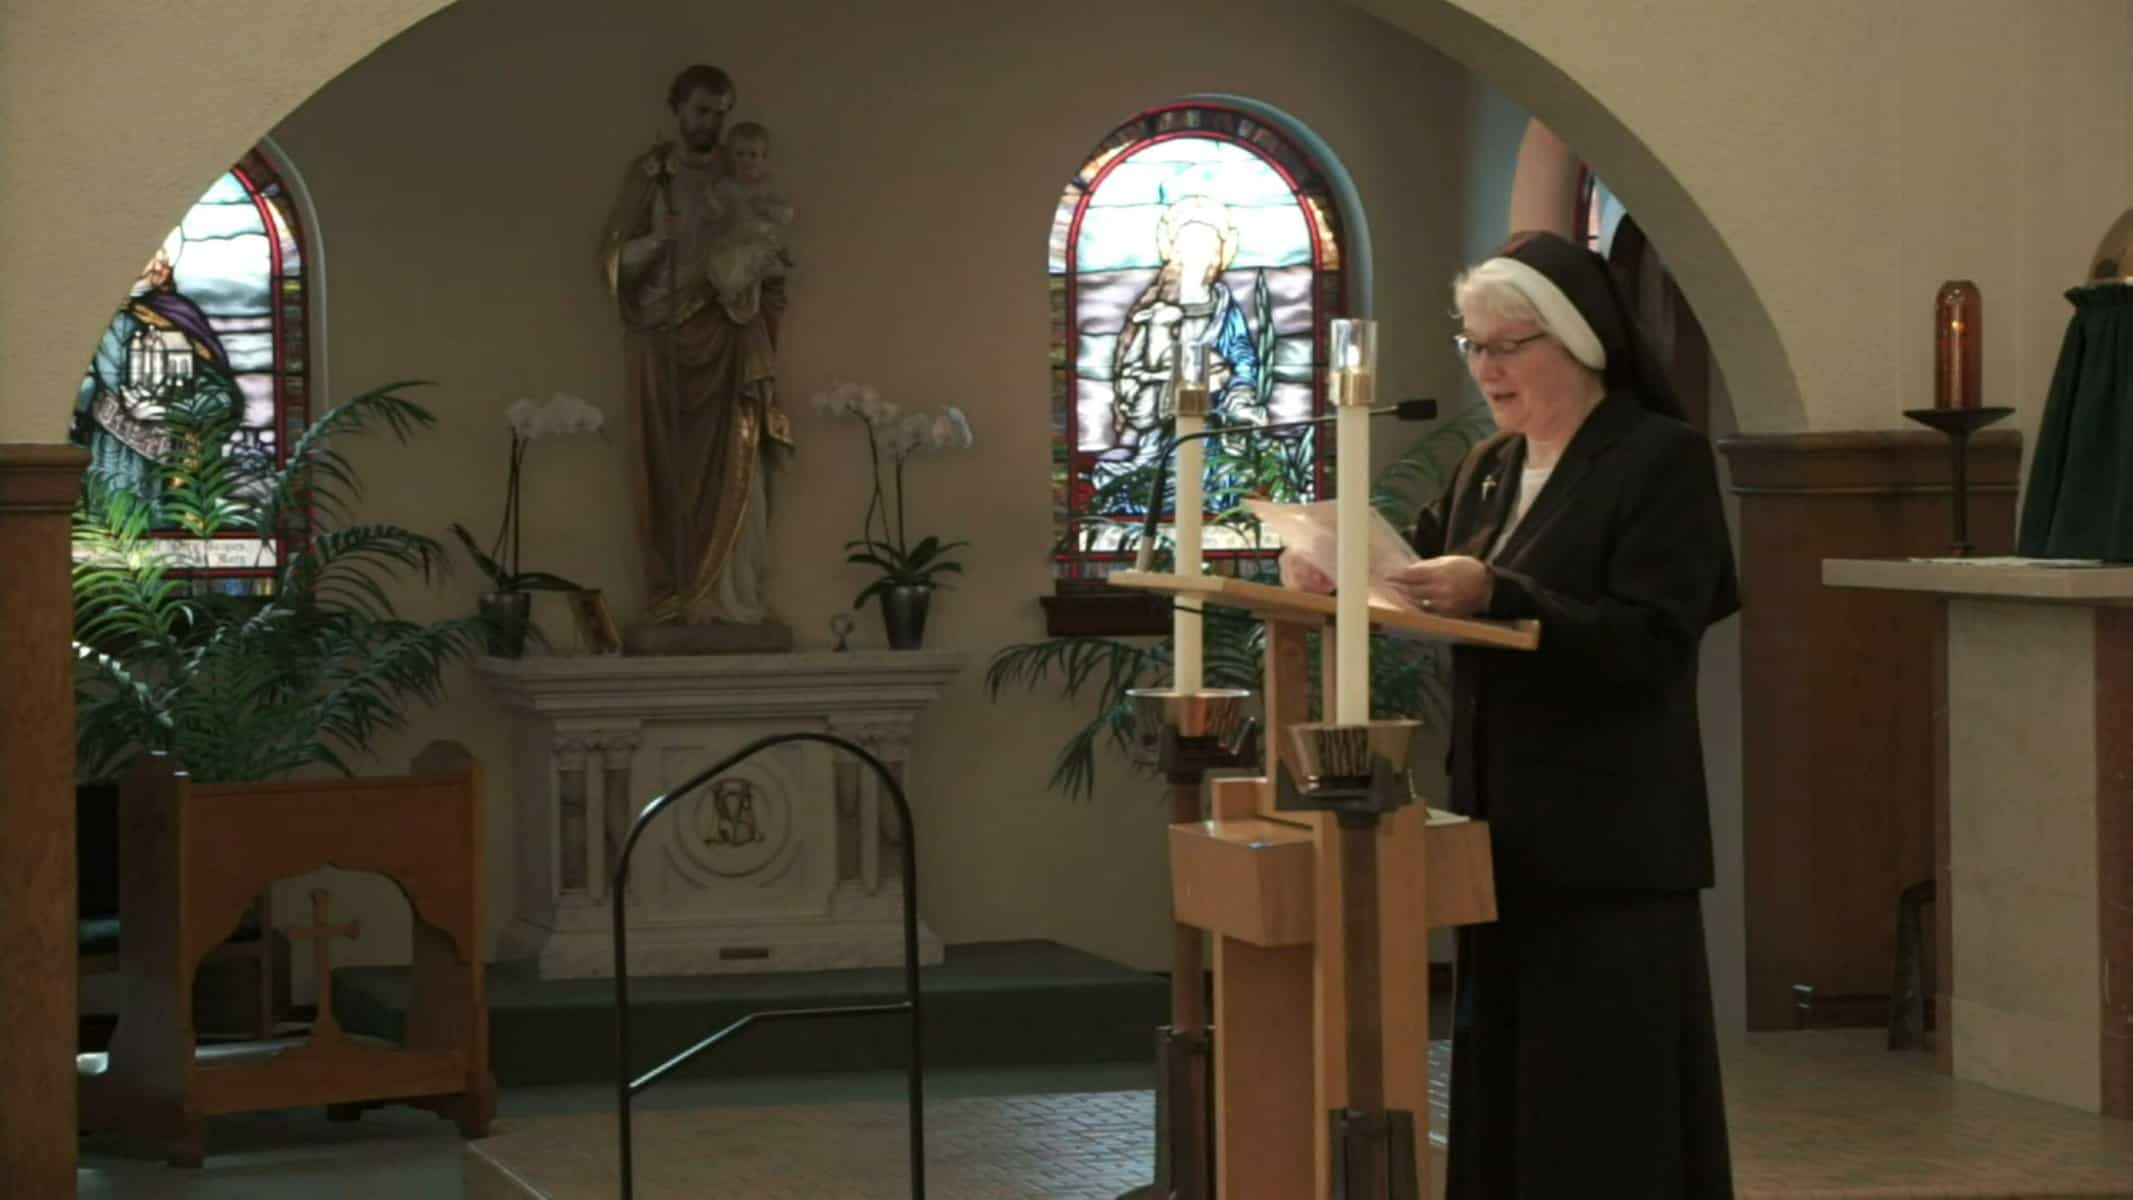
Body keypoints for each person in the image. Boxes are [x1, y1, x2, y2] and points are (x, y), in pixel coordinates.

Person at [1284, 229, 1739, 1197]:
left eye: (1506, 345)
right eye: (1472, 346)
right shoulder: (1492, 466)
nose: (1485, 368)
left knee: (1603, 1108)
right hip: (1500, 826)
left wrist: (1503, 593)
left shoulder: (1659, 459)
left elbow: (1654, 640)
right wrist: (1334, 571)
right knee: (1510, 1090)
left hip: (1613, 839)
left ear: (1576, 342)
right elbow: (1420, 581)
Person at [597, 63, 793, 628]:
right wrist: (661, 240)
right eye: (702, 110)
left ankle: (733, 596)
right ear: (678, 110)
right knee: (670, 471)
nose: (711, 122)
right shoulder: (652, 174)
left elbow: (772, 265)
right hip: (664, 339)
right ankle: (678, 595)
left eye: (721, 113)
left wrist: (763, 273)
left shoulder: (739, 179)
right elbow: (613, 263)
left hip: (729, 337)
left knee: (740, 461)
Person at [701, 121, 794, 327]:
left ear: (764, 158)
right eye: (740, 154)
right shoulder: (727, 186)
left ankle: (747, 299)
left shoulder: (766, 187)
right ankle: (736, 299)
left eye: (753, 155)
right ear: (730, 157)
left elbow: (787, 214)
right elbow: (715, 214)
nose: (746, 161)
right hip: (736, 242)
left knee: (763, 265)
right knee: (727, 266)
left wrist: (768, 209)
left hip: (761, 243)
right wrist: (710, 203)